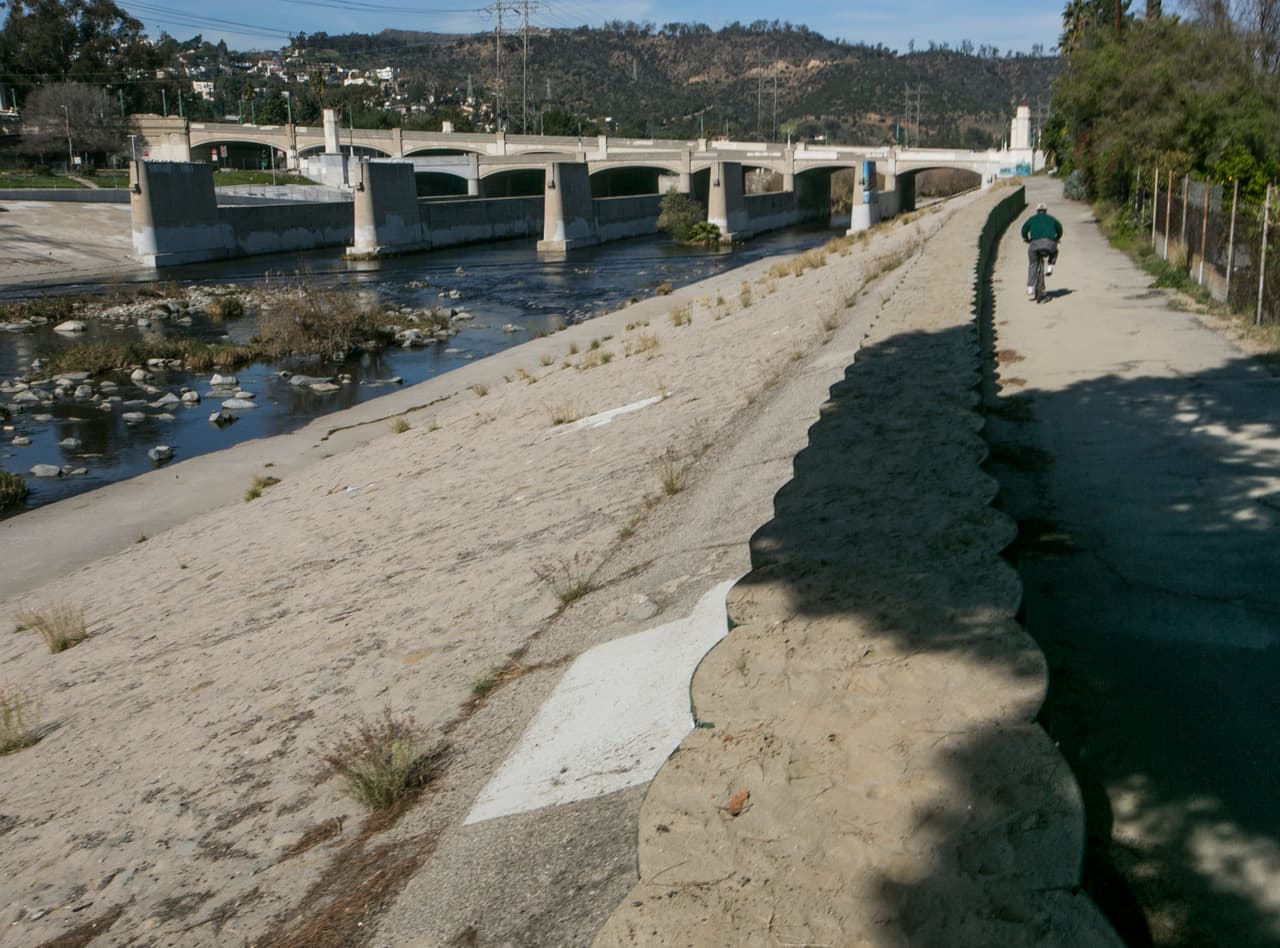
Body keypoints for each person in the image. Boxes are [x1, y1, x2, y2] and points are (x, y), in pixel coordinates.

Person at [1021, 202, 1064, 297]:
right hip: (1050, 243)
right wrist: (1057, 238)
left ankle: (1030, 287)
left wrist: (1026, 238)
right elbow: (1060, 229)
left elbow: (1024, 230)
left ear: (1037, 211)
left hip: (1035, 244)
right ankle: (1050, 266)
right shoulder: (1051, 219)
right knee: (1055, 251)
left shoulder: (1032, 219)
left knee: (1033, 264)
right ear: (1046, 211)